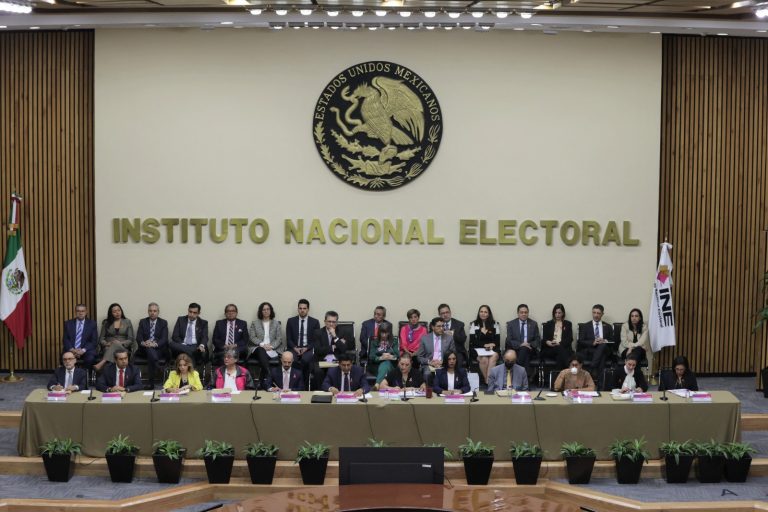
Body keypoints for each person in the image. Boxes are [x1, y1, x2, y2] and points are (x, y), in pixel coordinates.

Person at [285, 299, 320, 385]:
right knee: (293, 360)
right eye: (300, 308)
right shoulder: (291, 321)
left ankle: (303, 384)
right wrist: (295, 348)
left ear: (308, 309)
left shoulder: (315, 322)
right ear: (298, 309)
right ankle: (295, 384)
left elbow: (316, 340)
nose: (302, 310)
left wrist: (306, 348)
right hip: (294, 348)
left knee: (305, 360)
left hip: (308, 348)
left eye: (304, 308)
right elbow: (288, 339)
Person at [134, 302, 169, 390]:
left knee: (151, 352)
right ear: (148, 312)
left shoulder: (163, 323)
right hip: (144, 350)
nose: (152, 313)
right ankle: (158, 367)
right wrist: (144, 343)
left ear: (158, 312)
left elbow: (164, 339)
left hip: (159, 350)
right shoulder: (143, 322)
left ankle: (151, 383)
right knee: (149, 350)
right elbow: (139, 337)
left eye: (155, 311)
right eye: (150, 311)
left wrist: (154, 344)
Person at [248, 301, 285, 382]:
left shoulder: (276, 323)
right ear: (261, 311)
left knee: (263, 356)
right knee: (261, 350)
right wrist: (262, 345)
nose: (266, 311)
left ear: (271, 311)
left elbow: (279, 338)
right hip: (258, 348)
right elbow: (252, 337)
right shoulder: (255, 323)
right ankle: (269, 375)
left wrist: (271, 346)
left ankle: (263, 379)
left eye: (268, 309)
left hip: (272, 349)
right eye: (264, 309)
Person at [576, 304, 614, 380]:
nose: (596, 315)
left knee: (602, 345)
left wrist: (604, 340)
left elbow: (612, 340)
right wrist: (593, 342)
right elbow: (580, 341)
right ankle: (600, 384)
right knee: (601, 356)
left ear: (602, 314)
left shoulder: (608, 326)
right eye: (594, 312)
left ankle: (591, 368)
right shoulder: (585, 326)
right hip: (591, 351)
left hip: (605, 350)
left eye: (598, 313)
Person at [95, 303, 135, 372]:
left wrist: (120, 343)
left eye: (118, 310)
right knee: (109, 349)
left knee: (115, 345)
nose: (117, 313)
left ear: (121, 311)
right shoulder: (106, 322)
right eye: (114, 311)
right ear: (111, 313)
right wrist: (107, 344)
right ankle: (115, 375)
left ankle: (102, 363)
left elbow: (131, 339)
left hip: (123, 348)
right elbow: (101, 338)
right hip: (108, 346)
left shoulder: (127, 322)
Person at [170, 302, 210, 368]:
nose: (191, 314)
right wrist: (184, 345)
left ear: (198, 313)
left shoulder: (203, 323)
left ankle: (188, 376)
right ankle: (192, 351)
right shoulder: (181, 320)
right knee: (171, 344)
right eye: (190, 312)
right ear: (188, 311)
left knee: (187, 355)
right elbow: (175, 336)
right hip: (182, 345)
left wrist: (201, 345)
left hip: (196, 346)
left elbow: (204, 337)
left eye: (194, 313)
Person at [468, 305, 501, 385]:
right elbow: (473, 341)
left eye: (485, 312)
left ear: (489, 314)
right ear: (479, 313)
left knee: (493, 358)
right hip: (476, 349)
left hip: (492, 349)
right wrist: (485, 345)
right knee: (484, 359)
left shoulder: (495, 324)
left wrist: (490, 346)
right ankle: (488, 380)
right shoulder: (474, 324)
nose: (483, 314)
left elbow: (497, 341)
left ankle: (488, 380)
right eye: (481, 312)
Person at [505, 304, 541, 373]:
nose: (524, 314)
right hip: (515, 349)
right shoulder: (511, 324)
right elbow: (509, 340)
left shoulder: (533, 324)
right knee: (525, 354)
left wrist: (528, 344)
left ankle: (514, 373)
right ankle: (525, 379)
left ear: (528, 313)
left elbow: (537, 339)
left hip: (530, 349)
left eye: (526, 312)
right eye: (521, 312)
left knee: (525, 349)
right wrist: (521, 344)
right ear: (518, 313)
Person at [62, 304, 98, 369]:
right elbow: (65, 339)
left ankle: (83, 376)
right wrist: (73, 350)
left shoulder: (92, 324)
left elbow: (94, 341)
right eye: (78, 311)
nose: (80, 313)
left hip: (86, 350)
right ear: (75, 312)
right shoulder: (68, 323)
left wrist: (83, 350)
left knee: (90, 358)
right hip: (72, 349)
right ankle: (70, 376)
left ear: (86, 312)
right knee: (66, 357)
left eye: (82, 311)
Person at [620, 308, 652, 377]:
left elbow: (641, 341)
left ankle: (628, 377)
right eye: (632, 316)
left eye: (636, 316)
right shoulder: (625, 326)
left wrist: (631, 347)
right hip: (625, 349)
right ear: (630, 317)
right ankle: (636, 378)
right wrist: (633, 347)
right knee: (636, 355)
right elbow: (624, 342)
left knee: (637, 351)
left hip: (638, 350)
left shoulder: (644, 327)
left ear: (640, 318)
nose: (634, 318)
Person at [541, 303, 574, 371]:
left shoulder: (568, 324)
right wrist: (548, 342)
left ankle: (557, 379)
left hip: (563, 349)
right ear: (553, 313)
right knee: (560, 351)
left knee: (559, 357)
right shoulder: (548, 324)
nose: (557, 315)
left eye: (559, 313)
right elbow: (543, 339)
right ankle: (570, 368)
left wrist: (559, 344)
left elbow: (570, 339)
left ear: (563, 313)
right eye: (556, 313)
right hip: (551, 350)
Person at [438, 304, 467, 368]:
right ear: (439, 315)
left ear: (450, 312)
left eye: (447, 312)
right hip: (440, 352)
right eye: (442, 313)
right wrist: (441, 334)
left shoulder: (459, 324)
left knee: (458, 363)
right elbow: (432, 339)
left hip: (456, 352)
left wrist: (453, 334)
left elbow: (463, 340)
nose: (445, 315)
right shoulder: (436, 324)